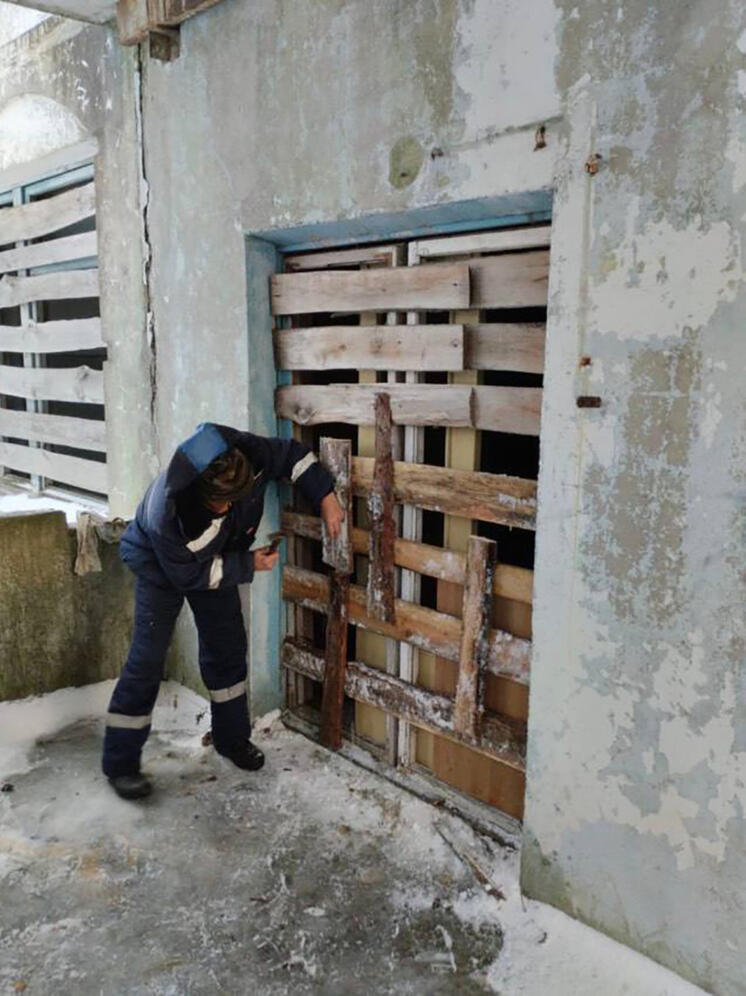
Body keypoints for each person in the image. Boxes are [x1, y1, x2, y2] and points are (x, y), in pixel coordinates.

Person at [102, 422, 343, 800]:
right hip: (160, 564)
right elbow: (190, 575)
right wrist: (248, 564)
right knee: (147, 658)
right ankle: (120, 763)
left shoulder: (242, 458)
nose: (231, 508)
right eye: (222, 504)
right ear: (200, 494)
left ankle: (231, 740)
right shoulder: (170, 515)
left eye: (236, 498)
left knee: (228, 647)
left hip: (214, 558)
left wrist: (325, 496)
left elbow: (293, 456)